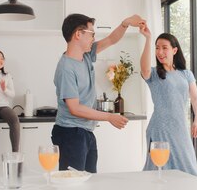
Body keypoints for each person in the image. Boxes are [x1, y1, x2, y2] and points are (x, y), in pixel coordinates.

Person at [52, 13, 145, 173]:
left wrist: (125, 23)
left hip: (85, 131)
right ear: (78, 34)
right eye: (92, 34)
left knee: (90, 181)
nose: (94, 38)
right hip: (70, 133)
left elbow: (111, 39)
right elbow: (75, 108)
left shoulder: (86, 56)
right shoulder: (66, 68)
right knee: (73, 184)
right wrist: (109, 117)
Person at [139, 25, 197, 176]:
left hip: (180, 128)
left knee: (189, 169)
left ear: (174, 50)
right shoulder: (154, 74)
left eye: (164, 48)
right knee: (159, 171)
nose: (160, 52)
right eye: (157, 48)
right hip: (160, 129)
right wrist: (148, 39)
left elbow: (195, 97)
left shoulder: (185, 74)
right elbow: (144, 69)